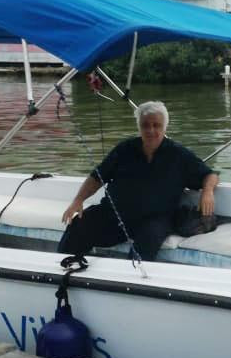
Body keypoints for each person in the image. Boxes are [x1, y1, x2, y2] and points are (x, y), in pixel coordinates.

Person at [58, 101, 219, 262]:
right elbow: (97, 177)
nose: (151, 130)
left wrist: (208, 192)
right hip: (115, 215)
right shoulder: (124, 150)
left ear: (165, 127)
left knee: (147, 240)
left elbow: (210, 175)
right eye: (145, 125)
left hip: (155, 219)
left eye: (156, 125)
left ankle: (129, 282)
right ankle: (61, 270)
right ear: (139, 127)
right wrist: (78, 200)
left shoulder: (178, 155)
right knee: (79, 224)